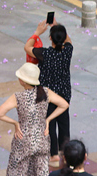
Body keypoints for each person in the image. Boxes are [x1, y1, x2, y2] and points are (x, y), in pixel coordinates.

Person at [0, 63, 70, 176]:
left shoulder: (18, 97)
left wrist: (15, 123)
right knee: (40, 171)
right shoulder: (45, 92)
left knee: (18, 171)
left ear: (23, 81)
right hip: (42, 138)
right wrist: (48, 120)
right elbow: (64, 105)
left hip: (23, 139)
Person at [25, 19, 73, 167]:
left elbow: (27, 47)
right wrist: (58, 27)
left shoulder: (44, 53)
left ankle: (53, 155)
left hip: (47, 95)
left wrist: (37, 33)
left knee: (49, 122)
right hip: (64, 95)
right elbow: (69, 41)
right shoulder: (67, 52)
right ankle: (65, 152)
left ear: (50, 38)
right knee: (64, 122)